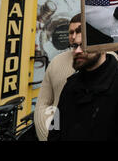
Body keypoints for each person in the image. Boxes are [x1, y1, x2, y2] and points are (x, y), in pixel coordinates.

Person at [47, 22, 118, 141]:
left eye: (84, 45)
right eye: (75, 46)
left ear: (102, 47)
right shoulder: (71, 84)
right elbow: (55, 129)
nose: (77, 51)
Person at [34, 13, 81, 141]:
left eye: (79, 31)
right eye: (71, 32)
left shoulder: (109, 58)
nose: (74, 37)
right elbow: (42, 105)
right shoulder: (56, 62)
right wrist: (49, 136)